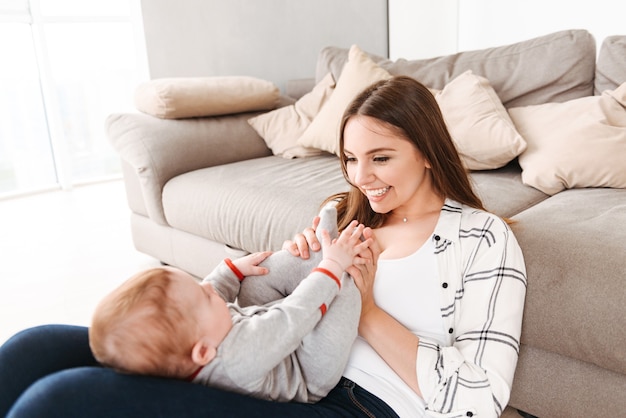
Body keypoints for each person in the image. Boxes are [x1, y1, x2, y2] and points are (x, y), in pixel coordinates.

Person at [0, 76, 526, 418]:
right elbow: (269, 307)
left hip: (355, 405)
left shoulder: (481, 239)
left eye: (381, 158)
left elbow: (480, 400)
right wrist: (288, 263)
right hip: (253, 361)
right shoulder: (346, 215)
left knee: (60, 401)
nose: (361, 177)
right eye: (349, 159)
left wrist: (363, 309)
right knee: (34, 348)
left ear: (428, 152)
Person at [89, 210, 368, 403]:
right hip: (308, 366)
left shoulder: (204, 335)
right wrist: (332, 267)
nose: (209, 288)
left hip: (262, 330)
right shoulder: (238, 361)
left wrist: (231, 271)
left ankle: (322, 252)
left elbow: (208, 293)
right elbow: (292, 317)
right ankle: (334, 256)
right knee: (343, 287)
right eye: (205, 297)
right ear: (203, 352)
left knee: (256, 277)